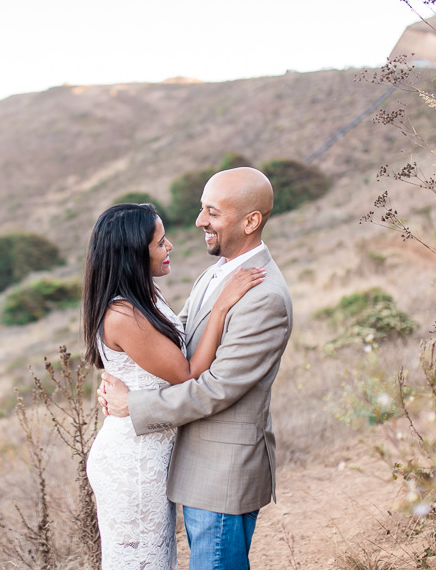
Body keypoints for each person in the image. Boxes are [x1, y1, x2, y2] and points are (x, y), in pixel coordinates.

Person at [99, 167, 293, 570]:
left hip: (223, 471)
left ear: (250, 220)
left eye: (212, 212)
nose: (199, 221)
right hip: (192, 465)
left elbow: (215, 388)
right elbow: (179, 340)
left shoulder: (264, 297)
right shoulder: (215, 273)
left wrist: (134, 405)